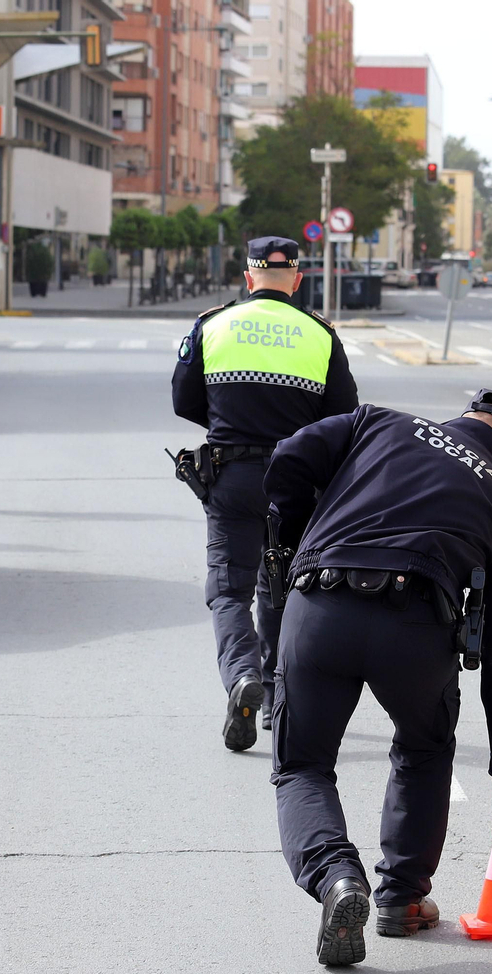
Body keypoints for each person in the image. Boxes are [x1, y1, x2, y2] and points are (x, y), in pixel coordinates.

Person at [261, 389, 492, 967]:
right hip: (417, 626)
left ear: (462, 418)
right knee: (424, 746)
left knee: (303, 765)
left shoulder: (377, 423)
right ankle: (399, 899)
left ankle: (338, 880)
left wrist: (292, 542)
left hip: (320, 607)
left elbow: (288, 456)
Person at [171, 236, 360, 752]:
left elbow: (184, 401)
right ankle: (278, 696)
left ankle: (241, 676)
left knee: (229, 590)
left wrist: (233, 418)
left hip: (231, 478)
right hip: (298, 480)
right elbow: (345, 417)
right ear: (297, 281)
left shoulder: (213, 324)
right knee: (283, 585)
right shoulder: (320, 334)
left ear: (248, 277)